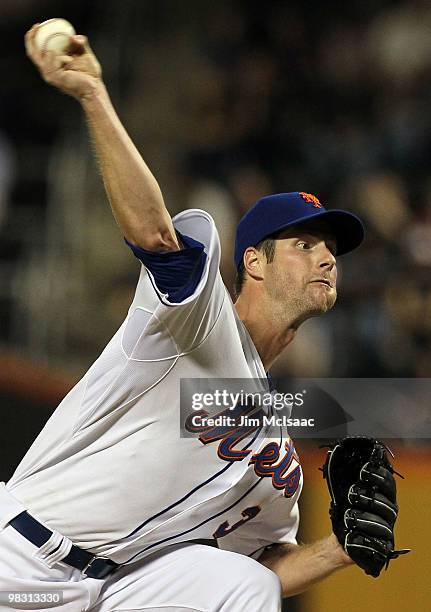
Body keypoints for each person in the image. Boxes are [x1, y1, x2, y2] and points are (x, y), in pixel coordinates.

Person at [0, 25, 364, 612]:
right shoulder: (197, 321)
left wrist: (341, 550)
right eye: (304, 244)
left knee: (247, 586)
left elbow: (263, 565)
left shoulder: (278, 448)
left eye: (332, 251)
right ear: (255, 261)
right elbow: (155, 236)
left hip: (115, 591)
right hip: (19, 558)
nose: (327, 257)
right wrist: (94, 94)